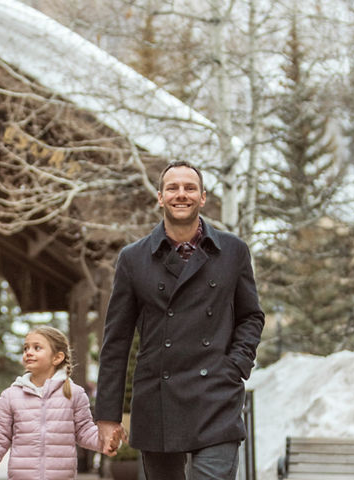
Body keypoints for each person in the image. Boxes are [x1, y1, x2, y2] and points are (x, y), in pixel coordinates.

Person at [94, 161, 265, 480]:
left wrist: (236, 365)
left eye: (189, 188)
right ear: (160, 197)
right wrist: (107, 417)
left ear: (202, 197)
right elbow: (116, 342)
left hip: (216, 396)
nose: (181, 194)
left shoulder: (232, 251)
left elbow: (251, 316)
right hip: (158, 402)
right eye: (173, 188)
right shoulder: (133, 259)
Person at [0, 326, 118, 480]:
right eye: (26, 348)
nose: (28, 352)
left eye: (37, 348)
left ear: (57, 358)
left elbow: (84, 431)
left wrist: (106, 441)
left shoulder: (75, 394)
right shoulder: (10, 396)